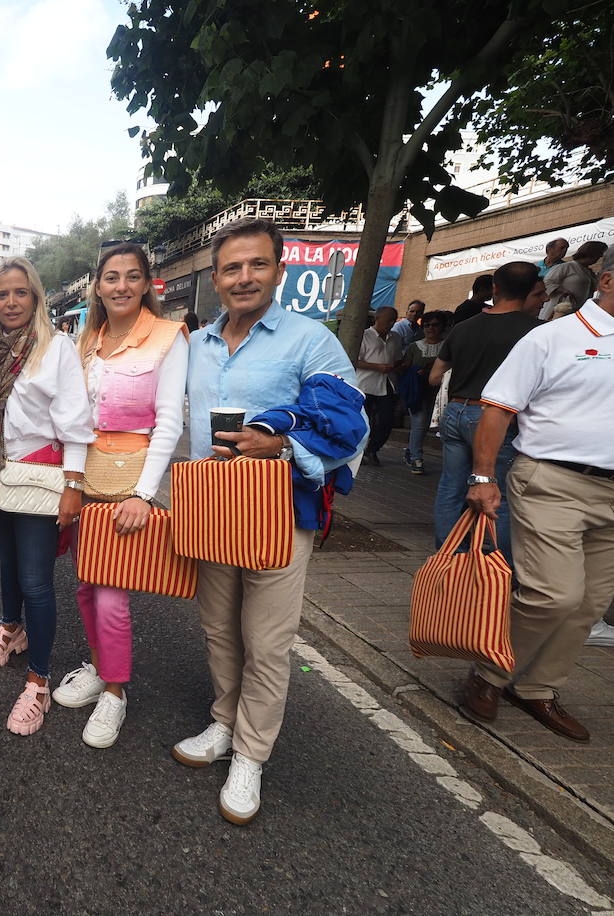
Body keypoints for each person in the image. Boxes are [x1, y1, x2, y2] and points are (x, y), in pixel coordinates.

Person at [177, 217, 364, 825]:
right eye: (231, 268)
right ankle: (223, 722)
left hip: (280, 512)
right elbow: (177, 425)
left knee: (267, 639)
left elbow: (349, 429)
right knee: (218, 629)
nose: (244, 277)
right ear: (216, 278)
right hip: (212, 507)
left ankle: (252, 754)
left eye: (257, 264)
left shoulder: (311, 341)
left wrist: (281, 448)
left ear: (279, 270)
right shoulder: (199, 345)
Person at [459, 247, 614, 743]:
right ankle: (489, 674)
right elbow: (499, 408)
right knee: (553, 595)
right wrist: (483, 477)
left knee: (589, 604)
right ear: (606, 281)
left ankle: (538, 688)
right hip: (553, 483)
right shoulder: (551, 338)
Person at [49, 242, 188, 749]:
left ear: (148, 283)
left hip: (130, 483)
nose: (122, 286)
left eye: (132, 276)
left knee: (111, 594)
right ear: (98, 285)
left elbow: (170, 421)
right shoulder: (88, 340)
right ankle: (99, 664)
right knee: (86, 584)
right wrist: (69, 479)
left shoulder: (170, 338)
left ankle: (115, 691)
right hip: (85, 478)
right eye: (111, 277)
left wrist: (146, 495)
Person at [0, 256, 93, 736]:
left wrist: (74, 486)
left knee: (37, 581)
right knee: (9, 565)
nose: (11, 302)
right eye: (2, 294)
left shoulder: (55, 348)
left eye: (20, 292)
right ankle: (11, 627)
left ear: (36, 298)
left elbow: (76, 421)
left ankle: (38, 681)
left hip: (42, 478)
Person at [428, 261, 546, 559]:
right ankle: (494, 564)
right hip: (496, 417)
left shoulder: (464, 327)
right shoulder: (538, 332)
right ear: (533, 290)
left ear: (494, 288)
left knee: (451, 487)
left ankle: (449, 555)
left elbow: (434, 377)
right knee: (500, 495)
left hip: (455, 411)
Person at [399, 310, 450, 474]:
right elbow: (405, 367)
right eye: (427, 325)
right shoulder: (414, 347)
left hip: (441, 394)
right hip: (418, 392)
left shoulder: (448, 346)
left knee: (433, 425)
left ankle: (412, 451)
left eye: (435, 325)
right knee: (419, 424)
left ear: (442, 326)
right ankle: (416, 458)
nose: (430, 328)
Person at [355, 306, 403, 466]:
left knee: (387, 420)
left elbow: (397, 358)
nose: (390, 323)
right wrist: (377, 367)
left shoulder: (395, 337)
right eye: (388, 320)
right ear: (378, 318)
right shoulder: (364, 336)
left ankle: (373, 449)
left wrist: (398, 366)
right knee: (364, 420)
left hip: (387, 383)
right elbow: (355, 360)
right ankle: (359, 451)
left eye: (393, 320)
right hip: (365, 384)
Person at [541, 240, 607, 320]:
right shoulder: (566, 267)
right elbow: (547, 282)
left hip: (577, 311)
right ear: (592, 253)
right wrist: (562, 291)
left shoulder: (589, 272)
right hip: (559, 311)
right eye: (599, 255)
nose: (599, 258)